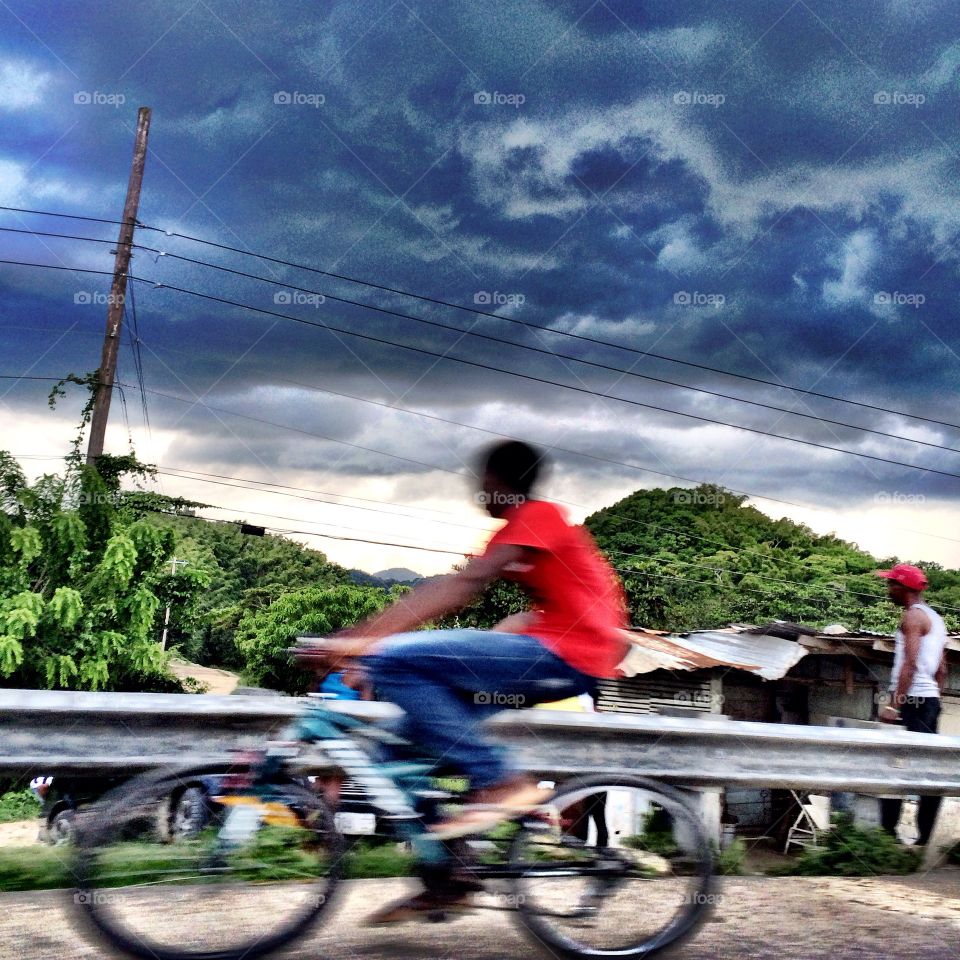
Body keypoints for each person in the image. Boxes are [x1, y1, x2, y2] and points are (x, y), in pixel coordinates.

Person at [295, 440, 629, 921]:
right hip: (552, 654)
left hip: (567, 655)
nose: (478, 490)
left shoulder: (540, 515)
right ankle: (449, 879)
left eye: (482, 481)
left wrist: (361, 640)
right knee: (394, 755)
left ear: (497, 480)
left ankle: (500, 783)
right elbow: (485, 594)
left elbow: (463, 585)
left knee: (395, 659)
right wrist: (356, 640)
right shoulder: (519, 533)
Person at [875, 563, 948, 846]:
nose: (888, 589)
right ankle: (924, 839)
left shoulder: (912, 618)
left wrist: (895, 705)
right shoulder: (936, 619)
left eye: (891, 584)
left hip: (912, 702)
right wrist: (934, 698)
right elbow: (941, 668)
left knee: (894, 765)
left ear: (903, 588)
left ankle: (887, 837)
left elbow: (910, 663)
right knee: (927, 769)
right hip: (928, 701)